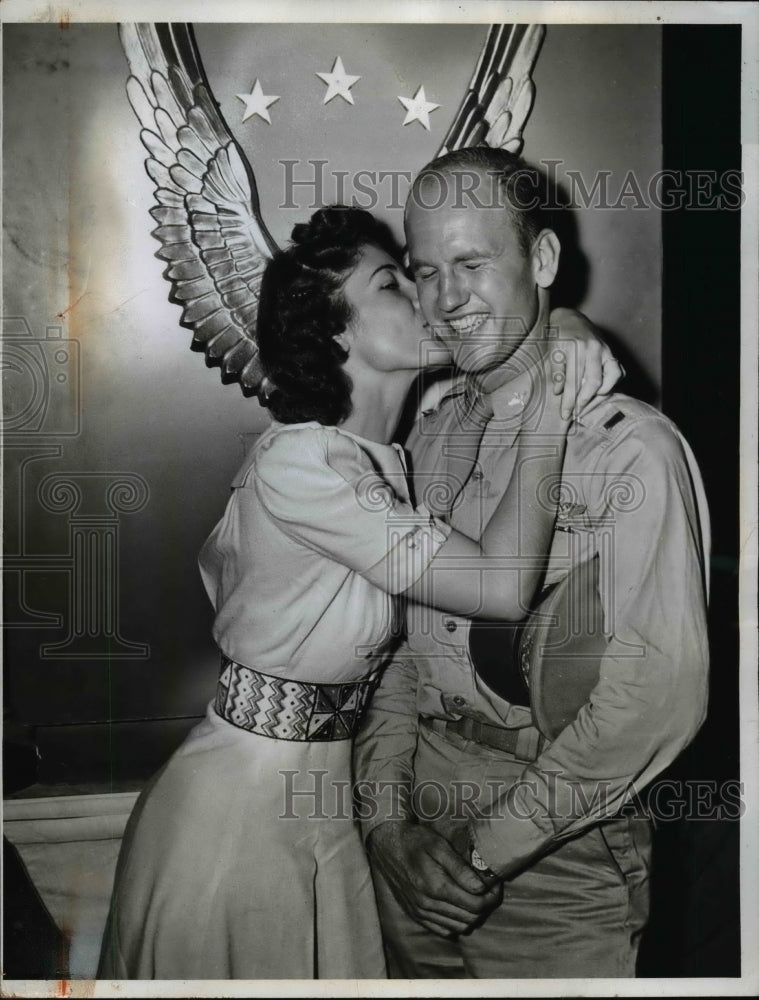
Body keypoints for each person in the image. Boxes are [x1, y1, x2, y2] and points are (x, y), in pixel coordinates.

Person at [97, 206, 618, 980]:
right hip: (237, 816)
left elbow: (533, 320)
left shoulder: (383, 459)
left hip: (323, 804)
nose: (427, 296)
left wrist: (564, 323)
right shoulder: (303, 466)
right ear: (336, 330)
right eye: (393, 284)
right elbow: (501, 588)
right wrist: (551, 399)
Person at [353, 147, 711, 979]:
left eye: (472, 264)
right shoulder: (432, 430)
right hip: (412, 849)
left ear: (542, 260)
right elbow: (397, 653)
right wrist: (386, 825)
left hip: (551, 866)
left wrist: (480, 857)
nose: (445, 299)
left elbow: (650, 701)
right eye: (424, 271)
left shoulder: (628, 453)